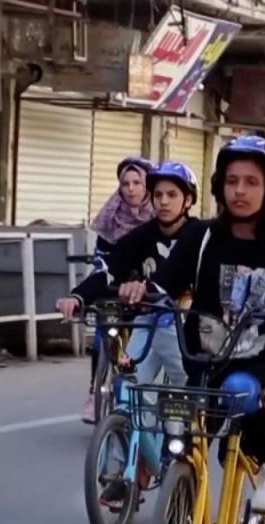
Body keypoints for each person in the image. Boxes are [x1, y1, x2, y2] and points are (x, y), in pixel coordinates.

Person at [120, 135, 265, 523]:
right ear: (220, 185)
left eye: (251, 182)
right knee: (181, 439)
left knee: (239, 389)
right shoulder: (199, 238)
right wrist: (139, 291)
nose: (240, 191)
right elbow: (164, 285)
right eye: (232, 180)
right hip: (205, 362)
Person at [56, 161, 200, 503]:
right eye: (158, 195)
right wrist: (78, 297)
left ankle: (185, 471)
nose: (163, 201)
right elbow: (109, 271)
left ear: (189, 200)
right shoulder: (142, 235)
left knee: (183, 406)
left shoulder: (201, 235)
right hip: (149, 325)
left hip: (188, 332)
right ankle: (122, 474)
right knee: (130, 391)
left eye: (172, 195)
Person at [81, 156, 156, 421]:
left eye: (137, 182)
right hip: (114, 289)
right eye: (125, 183)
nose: (131, 189)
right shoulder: (109, 217)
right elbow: (101, 257)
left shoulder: (158, 219)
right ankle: (95, 391)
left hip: (147, 292)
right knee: (103, 338)